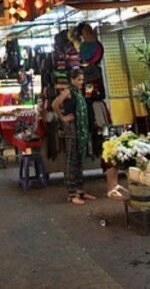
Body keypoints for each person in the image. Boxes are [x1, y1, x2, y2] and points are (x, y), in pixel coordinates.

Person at [52, 68, 95, 205]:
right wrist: (63, 118)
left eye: (82, 80)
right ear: (72, 80)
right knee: (71, 159)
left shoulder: (78, 92)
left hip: (79, 129)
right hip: (71, 129)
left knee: (79, 159)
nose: (81, 82)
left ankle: (80, 190)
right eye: (79, 80)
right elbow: (55, 104)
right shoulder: (68, 91)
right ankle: (71, 193)